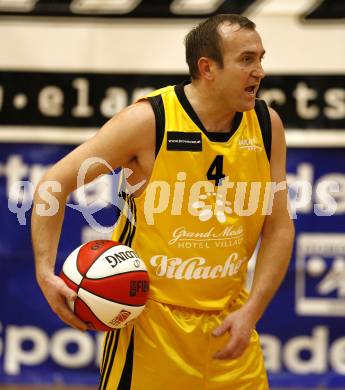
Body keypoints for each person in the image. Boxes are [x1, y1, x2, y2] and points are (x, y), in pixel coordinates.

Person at [32, 13, 294, 390]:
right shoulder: (148, 121)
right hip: (150, 330)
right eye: (247, 60)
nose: (260, 72)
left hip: (229, 328)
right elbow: (52, 186)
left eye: (260, 59)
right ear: (208, 68)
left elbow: (280, 226)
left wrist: (252, 310)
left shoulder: (268, 125)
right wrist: (44, 272)